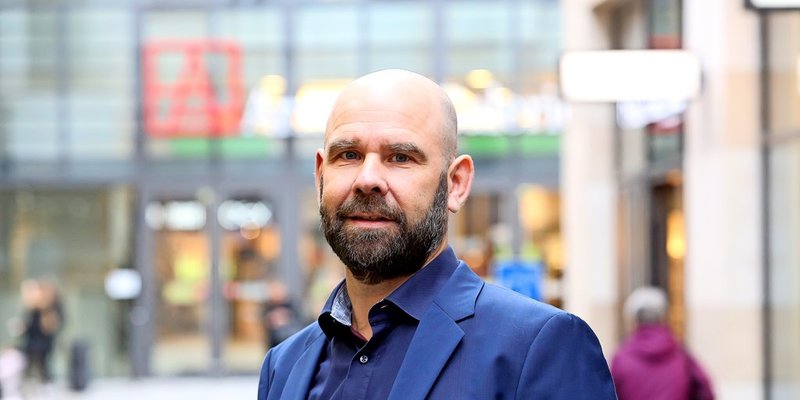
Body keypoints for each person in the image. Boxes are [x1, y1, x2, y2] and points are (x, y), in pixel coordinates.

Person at [257, 69, 617, 399]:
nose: (367, 179)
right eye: (349, 155)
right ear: (321, 176)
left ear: (456, 184)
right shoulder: (283, 367)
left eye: (400, 157)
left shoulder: (538, 347)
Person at [611, 286, 714, 400]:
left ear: (634, 321)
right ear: (663, 318)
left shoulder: (621, 358)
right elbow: (704, 391)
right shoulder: (682, 356)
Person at [19, 279, 63, 384]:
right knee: (29, 365)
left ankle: (44, 382)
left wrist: (45, 310)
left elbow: (50, 326)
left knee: (43, 366)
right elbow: (29, 326)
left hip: (44, 343)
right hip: (32, 342)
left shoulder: (52, 308)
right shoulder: (33, 309)